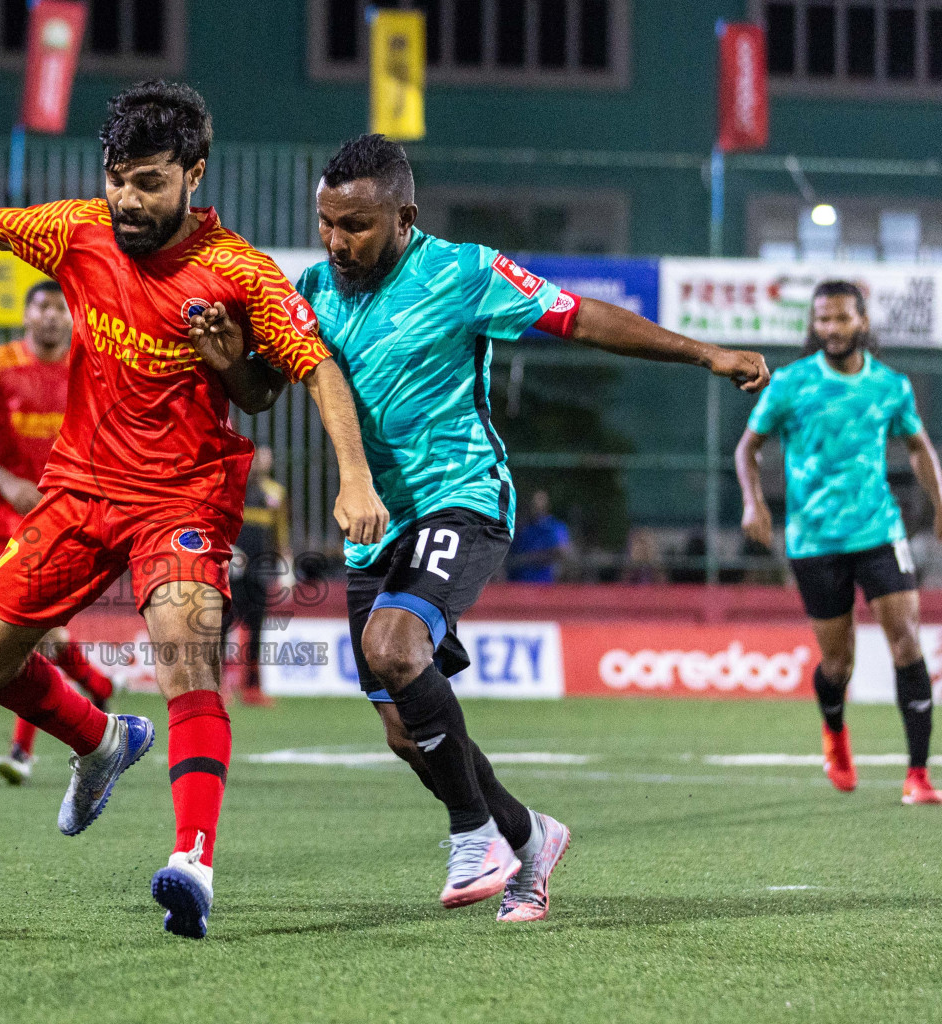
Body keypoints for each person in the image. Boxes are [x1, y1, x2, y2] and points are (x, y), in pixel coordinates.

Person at [0, 81, 387, 940]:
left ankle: (192, 862)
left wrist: (355, 478)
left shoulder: (240, 272)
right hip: (80, 488)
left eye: (150, 182)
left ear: (194, 174)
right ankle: (99, 742)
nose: (128, 199)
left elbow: (309, 368)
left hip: (185, 497)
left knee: (186, 659)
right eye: (118, 177)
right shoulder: (77, 228)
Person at [296, 134, 768, 922]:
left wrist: (704, 354)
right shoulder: (312, 288)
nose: (337, 243)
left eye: (356, 226)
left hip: (463, 497)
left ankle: (472, 833)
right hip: (373, 528)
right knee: (408, 736)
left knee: (392, 648)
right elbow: (259, 383)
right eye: (327, 223)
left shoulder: (466, 272)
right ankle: (529, 838)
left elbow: (578, 319)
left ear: (404, 216)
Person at [736, 279, 942, 805]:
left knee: (907, 642)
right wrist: (753, 502)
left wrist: (941, 507)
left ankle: (917, 775)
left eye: (841, 318)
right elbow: (748, 448)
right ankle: (835, 735)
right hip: (815, 540)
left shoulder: (891, 386)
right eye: (822, 320)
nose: (831, 329)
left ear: (862, 321)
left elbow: (919, 448)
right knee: (837, 666)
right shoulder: (790, 384)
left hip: (878, 531)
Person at [0, 278, 117, 785]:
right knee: (33, 628)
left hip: (75, 513)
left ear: (73, 317)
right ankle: (83, 692)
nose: (51, 316)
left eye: (61, 308)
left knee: (37, 631)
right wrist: (5, 479)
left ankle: (70, 707)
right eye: (41, 306)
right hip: (14, 517)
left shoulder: (90, 364)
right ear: (25, 316)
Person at [229, 445, 289, 707]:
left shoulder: (275, 493)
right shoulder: (234, 488)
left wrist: (287, 564)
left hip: (260, 570)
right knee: (221, 626)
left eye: (266, 457)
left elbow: (281, 532)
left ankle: (252, 688)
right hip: (233, 567)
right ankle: (218, 686)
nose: (262, 462)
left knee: (256, 630)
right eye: (258, 457)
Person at [505, 489, 570, 583]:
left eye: (540, 502)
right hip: (519, 582)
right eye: (534, 502)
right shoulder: (523, 527)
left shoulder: (556, 527)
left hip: (545, 583)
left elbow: (562, 551)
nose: (536, 506)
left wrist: (531, 558)